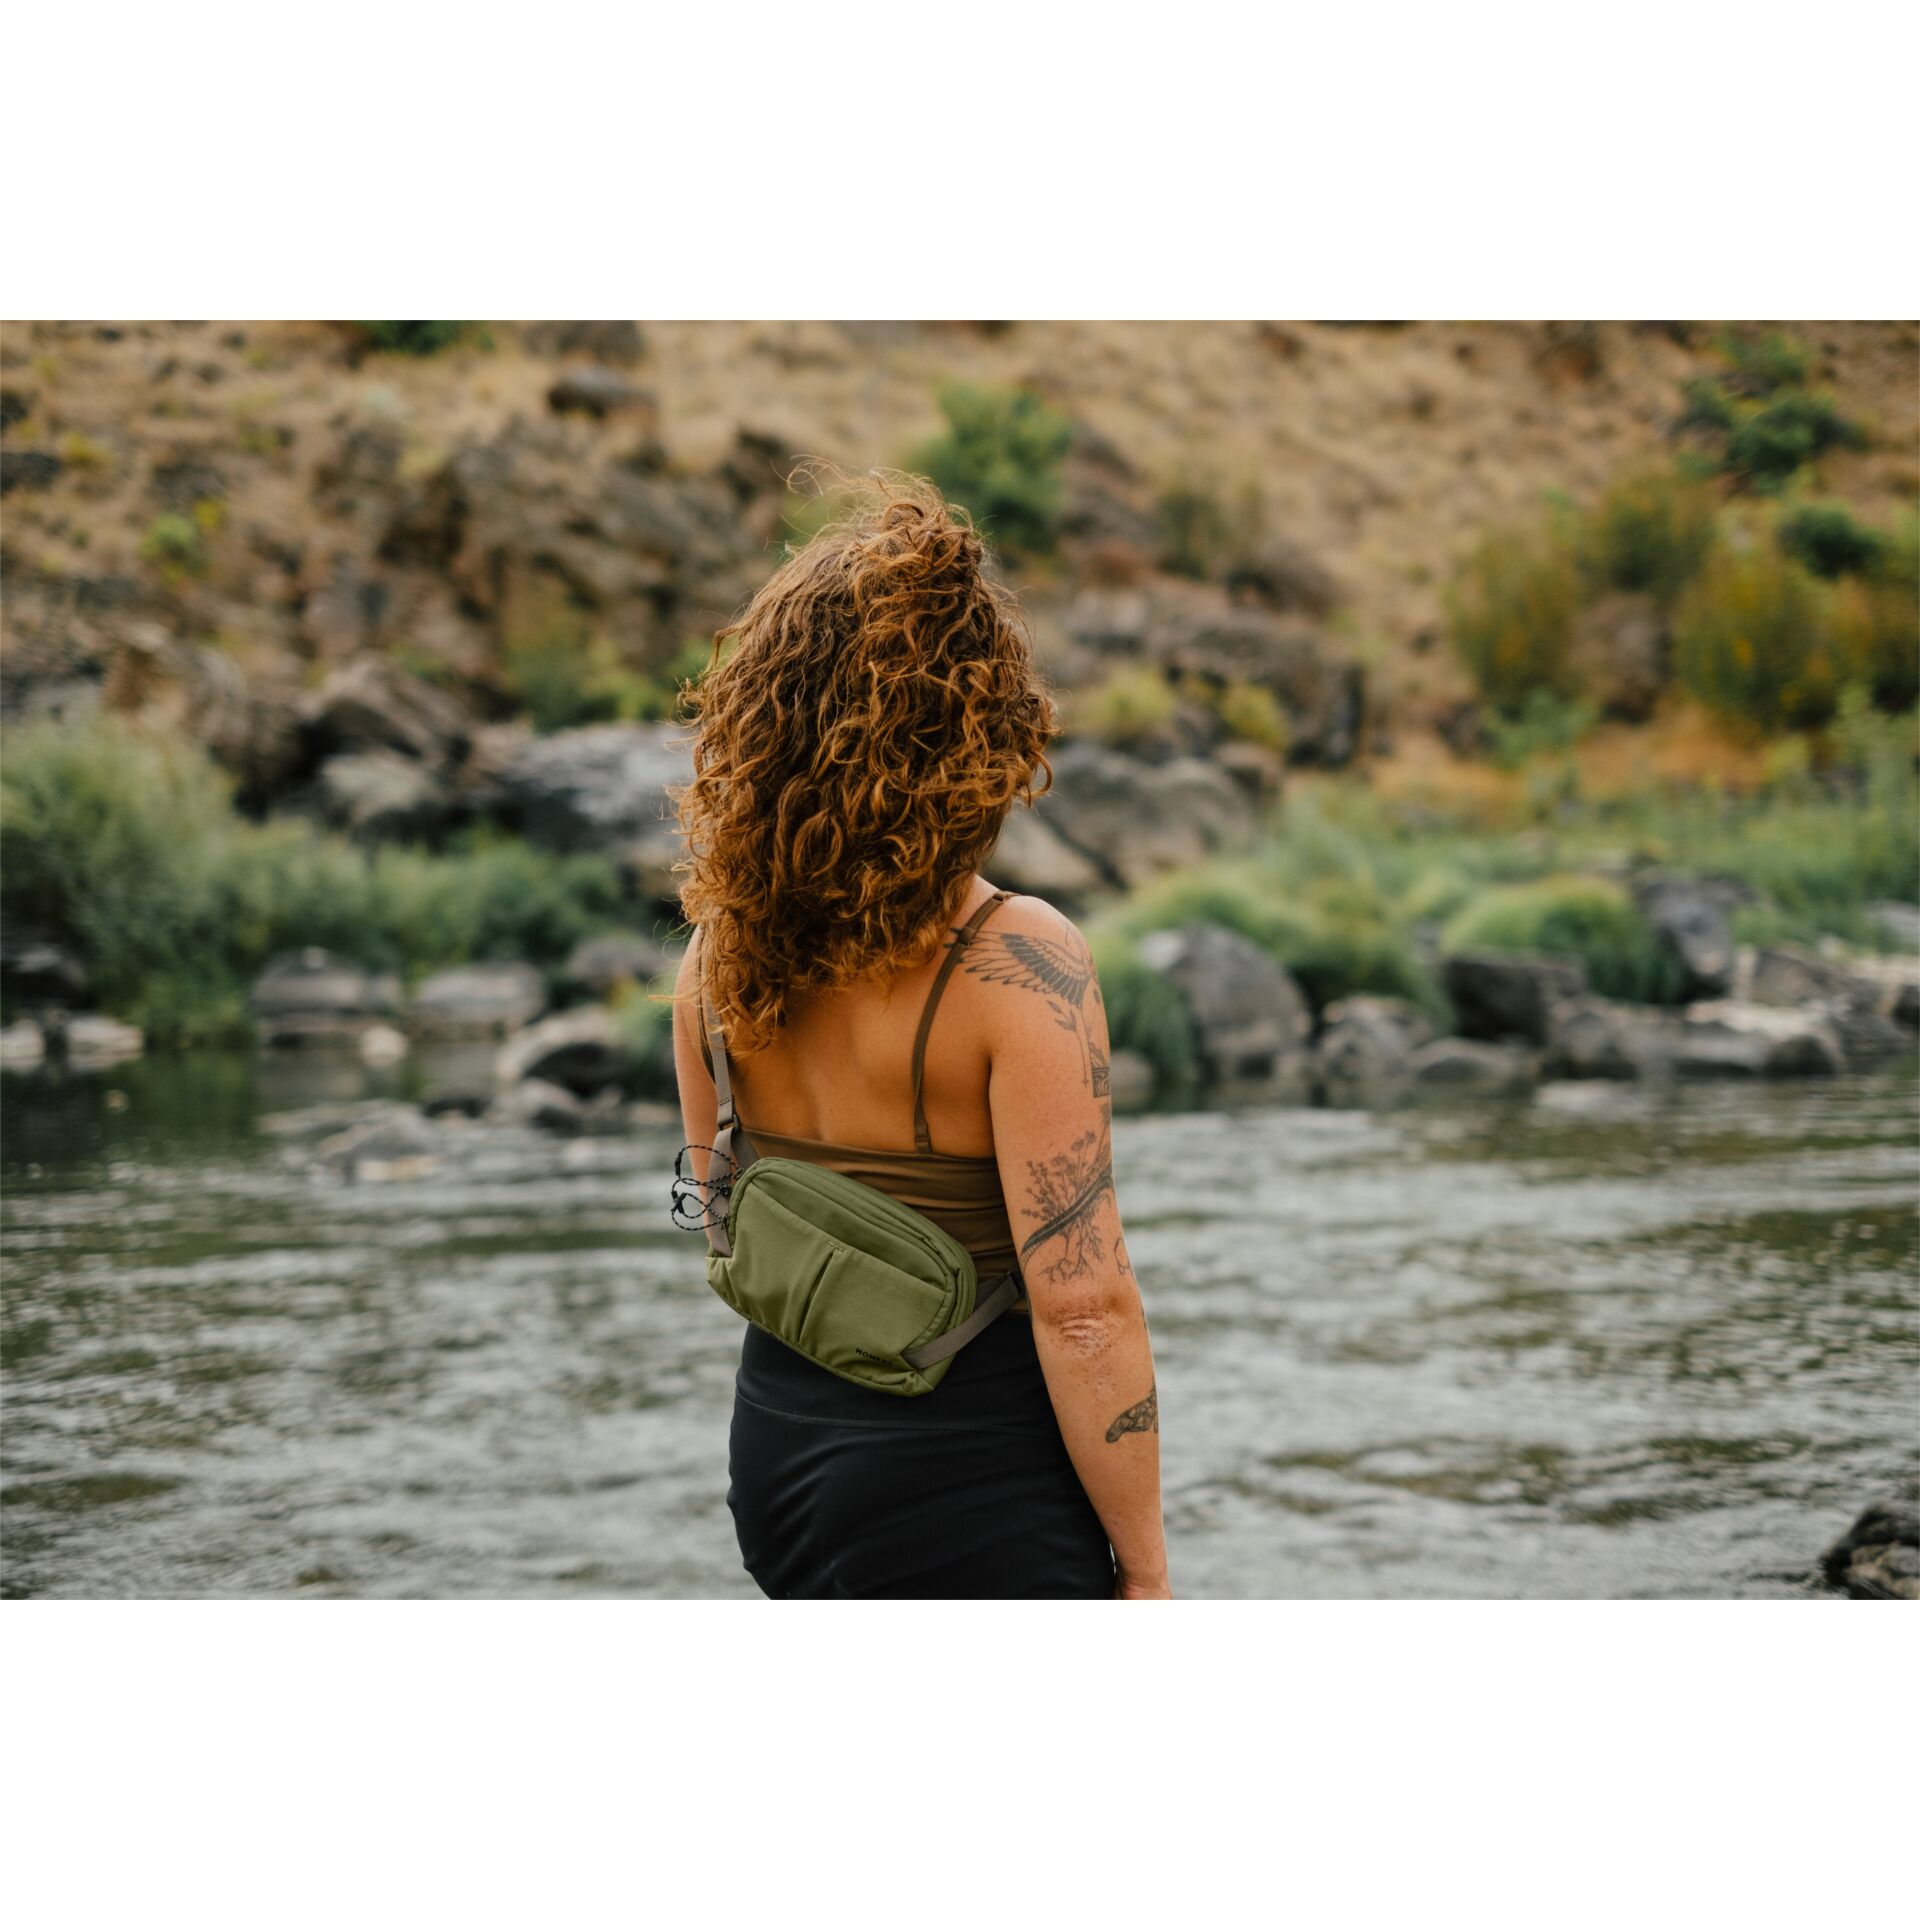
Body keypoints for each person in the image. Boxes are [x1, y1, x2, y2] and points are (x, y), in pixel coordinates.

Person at [667, 471, 1170, 1600]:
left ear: (768, 725)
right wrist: (1145, 1576)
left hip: (780, 1465)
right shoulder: (1019, 965)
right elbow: (1085, 1312)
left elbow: (722, 1212)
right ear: (979, 733)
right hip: (969, 1484)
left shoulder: (712, 961)